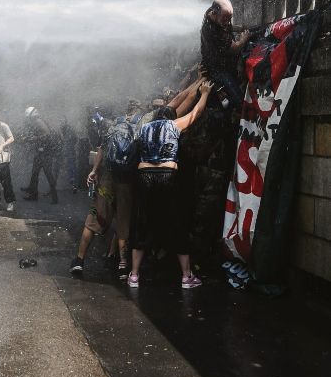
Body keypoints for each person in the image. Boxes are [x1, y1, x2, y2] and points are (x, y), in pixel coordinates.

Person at [127, 80, 214, 289]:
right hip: (168, 176)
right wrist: (204, 93)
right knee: (177, 223)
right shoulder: (173, 125)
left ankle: (134, 275)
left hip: (145, 177)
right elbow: (196, 114)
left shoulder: (144, 128)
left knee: (143, 223)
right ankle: (186, 276)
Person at [69, 100, 143, 279]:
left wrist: (94, 171)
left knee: (94, 219)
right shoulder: (142, 124)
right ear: (138, 110)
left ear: (126, 109)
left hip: (107, 179)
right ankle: (123, 266)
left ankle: (79, 260)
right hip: (127, 181)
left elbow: (101, 150)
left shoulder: (112, 125)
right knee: (123, 222)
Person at [200, 0, 252, 110]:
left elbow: (227, 26)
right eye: (225, 19)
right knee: (238, 99)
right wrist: (243, 39)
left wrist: (240, 28)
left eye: (230, 19)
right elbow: (235, 48)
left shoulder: (216, 16)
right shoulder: (212, 30)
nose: (227, 22)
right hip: (217, 68)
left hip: (224, 63)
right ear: (214, 13)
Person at [21, 107, 61, 204]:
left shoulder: (38, 122)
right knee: (35, 173)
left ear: (31, 115)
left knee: (48, 174)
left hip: (45, 153)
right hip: (41, 153)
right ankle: (33, 193)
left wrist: (32, 138)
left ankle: (54, 198)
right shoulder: (37, 121)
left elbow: (47, 134)